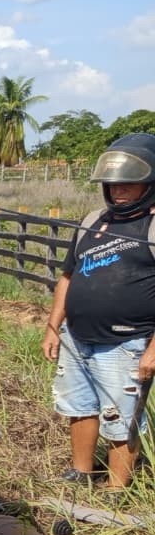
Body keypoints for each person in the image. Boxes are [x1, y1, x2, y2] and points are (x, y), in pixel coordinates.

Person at [41, 132, 155, 488]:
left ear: (149, 184)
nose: (118, 191)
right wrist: (52, 326)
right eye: (112, 184)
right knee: (79, 407)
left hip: (126, 343)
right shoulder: (92, 221)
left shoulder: (152, 226)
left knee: (120, 417)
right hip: (77, 338)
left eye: (128, 185)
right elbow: (67, 277)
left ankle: (117, 489)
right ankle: (81, 471)